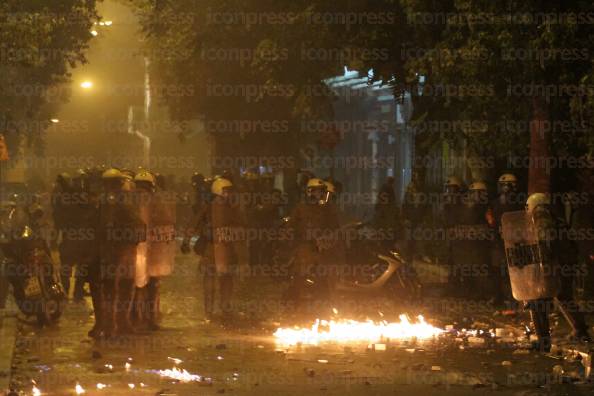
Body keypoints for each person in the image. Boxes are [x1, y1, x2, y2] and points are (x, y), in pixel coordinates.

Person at [521, 193, 591, 351]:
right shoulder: (556, 218)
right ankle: (581, 331)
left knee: (537, 301)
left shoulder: (541, 216)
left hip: (553, 265)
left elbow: (544, 241)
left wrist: (540, 266)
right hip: (566, 263)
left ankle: (543, 341)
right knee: (564, 297)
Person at [182, 177, 243, 323]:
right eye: (225, 190)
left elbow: (242, 227)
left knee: (226, 280)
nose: (228, 194)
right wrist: (186, 241)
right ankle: (209, 311)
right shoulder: (209, 207)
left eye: (229, 191)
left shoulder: (233, 208)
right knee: (210, 280)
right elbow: (194, 223)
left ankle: (225, 309)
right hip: (211, 249)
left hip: (227, 249)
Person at [97, 168, 146, 338]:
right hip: (120, 249)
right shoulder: (122, 200)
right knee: (121, 286)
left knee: (113, 287)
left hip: (115, 249)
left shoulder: (104, 201)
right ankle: (119, 324)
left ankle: (114, 324)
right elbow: (138, 223)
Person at [284, 178, 341, 314]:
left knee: (322, 282)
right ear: (309, 192)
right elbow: (290, 228)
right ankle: (291, 310)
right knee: (299, 280)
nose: (320, 195)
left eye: (322, 192)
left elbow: (334, 229)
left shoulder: (327, 210)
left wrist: (327, 241)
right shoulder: (301, 208)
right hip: (304, 250)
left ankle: (322, 312)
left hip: (321, 251)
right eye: (317, 192)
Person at [487, 173, 523, 306]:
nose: (503, 189)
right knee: (497, 270)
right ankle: (498, 296)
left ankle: (515, 298)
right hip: (499, 240)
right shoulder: (495, 203)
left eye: (504, 186)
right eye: (501, 186)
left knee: (514, 270)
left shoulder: (519, 201)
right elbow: (491, 221)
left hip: (516, 242)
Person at [146, 173, 176, 330]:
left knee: (153, 283)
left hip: (152, 251)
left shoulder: (160, 200)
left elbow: (168, 222)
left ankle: (151, 315)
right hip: (138, 251)